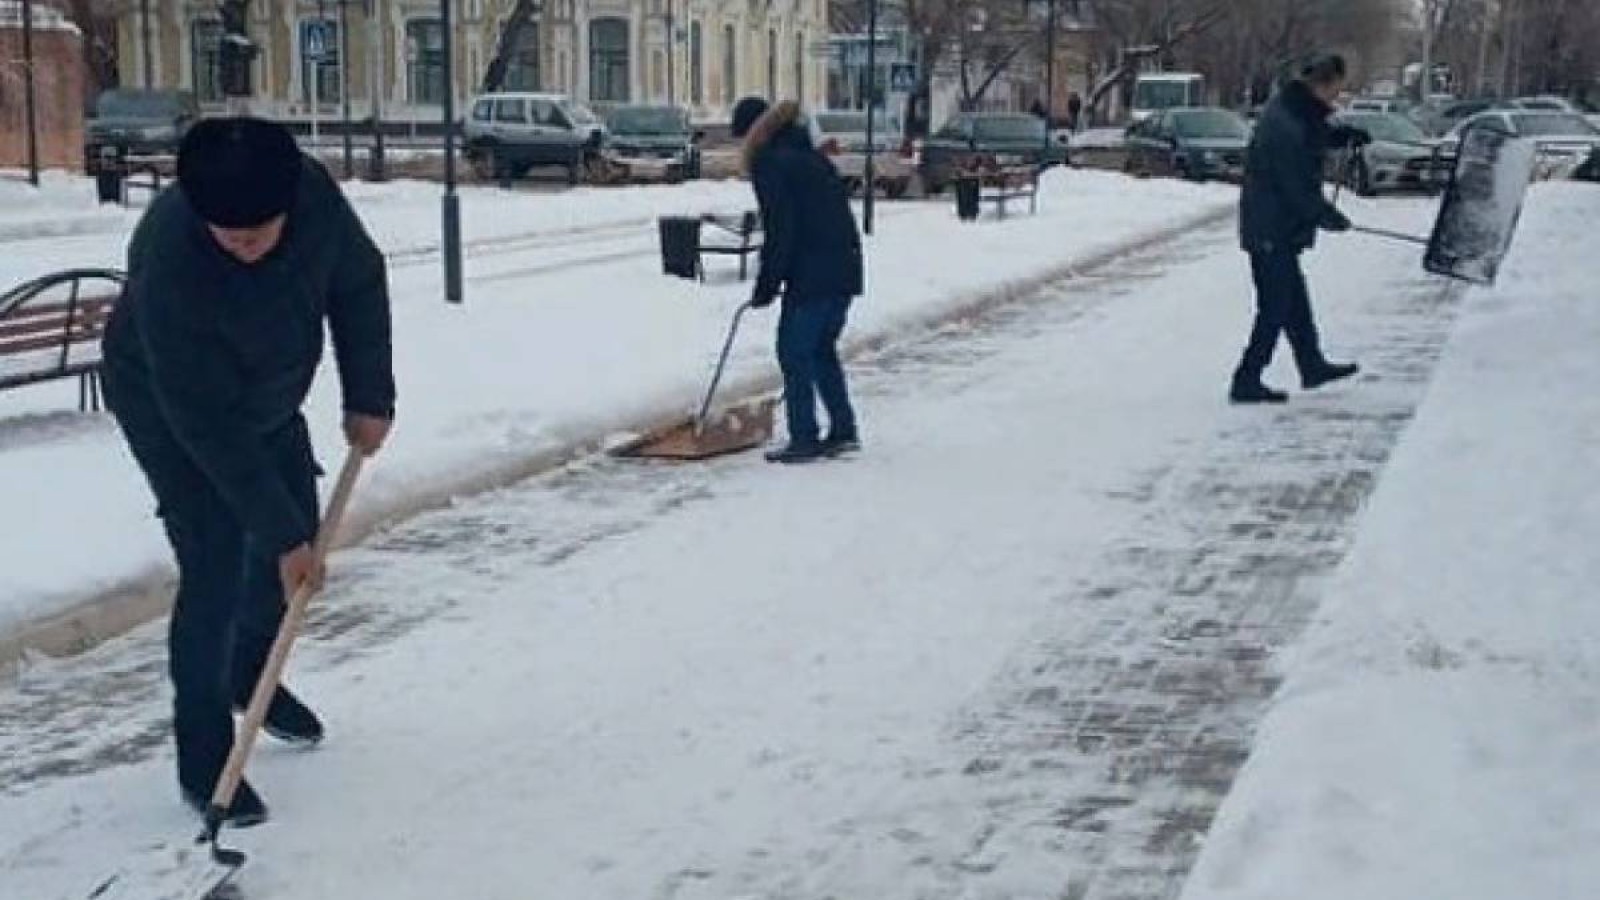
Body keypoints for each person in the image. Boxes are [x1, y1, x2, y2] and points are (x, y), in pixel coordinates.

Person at [101, 118, 396, 825]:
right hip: (172, 408)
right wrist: (280, 536)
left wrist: (370, 394)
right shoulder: (168, 255)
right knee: (219, 557)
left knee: (294, 534)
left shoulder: (313, 198)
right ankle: (205, 753)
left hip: (269, 387)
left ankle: (249, 671)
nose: (244, 248)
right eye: (228, 238)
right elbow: (203, 420)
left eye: (257, 234)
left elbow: (358, 281)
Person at [1231, 53, 1371, 404]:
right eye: (1337, 90)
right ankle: (1246, 379)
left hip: (1276, 226)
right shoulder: (1285, 123)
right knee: (1276, 306)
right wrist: (1325, 215)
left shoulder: (1296, 110)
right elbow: (1293, 185)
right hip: (1269, 227)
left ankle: (1311, 365)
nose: (1337, 98)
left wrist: (1344, 137)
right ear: (1323, 83)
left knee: (1293, 301)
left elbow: (1314, 136)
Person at [731, 97, 865, 464]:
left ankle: (804, 436)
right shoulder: (811, 157)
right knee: (822, 350)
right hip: (844, 269)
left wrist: (767, 284)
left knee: (794, 352)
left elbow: (781, 229)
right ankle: (843, 429)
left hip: (812, 273)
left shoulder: (771, 164)